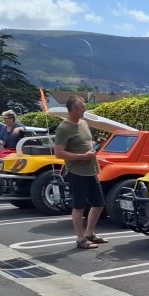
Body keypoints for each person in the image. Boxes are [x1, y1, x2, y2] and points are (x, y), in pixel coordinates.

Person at [53, 95, 107, 250]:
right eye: (83, 106)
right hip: (76, 172)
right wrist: (82, 157)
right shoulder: (64, 128)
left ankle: (90, 233)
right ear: (75, 109)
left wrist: (97, 145)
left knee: (98, 204)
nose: (85, 109)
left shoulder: (83, 123)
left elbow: (86, 143)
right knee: (79, 206)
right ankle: (80, 238)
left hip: (91, 170)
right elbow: (58, 152)